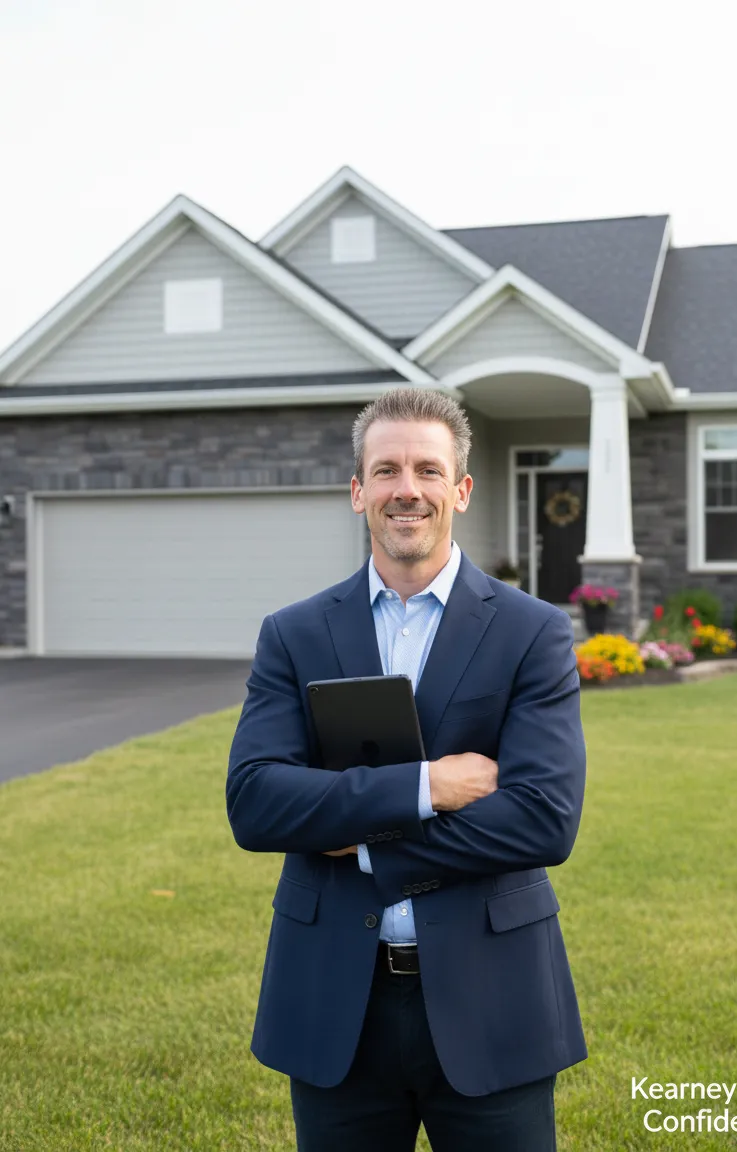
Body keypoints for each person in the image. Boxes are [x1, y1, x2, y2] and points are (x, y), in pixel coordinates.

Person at [226, 386, 588, 1151]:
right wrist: (430, 786)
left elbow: (542, 819)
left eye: (428, 469)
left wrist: (358, 839)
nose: (407, 489)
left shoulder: (532, 633)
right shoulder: (293, 635)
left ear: (460, 488)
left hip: (495, 995)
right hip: (333, 1002)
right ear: (358, 491)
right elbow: (257, 801)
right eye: (386, 470)